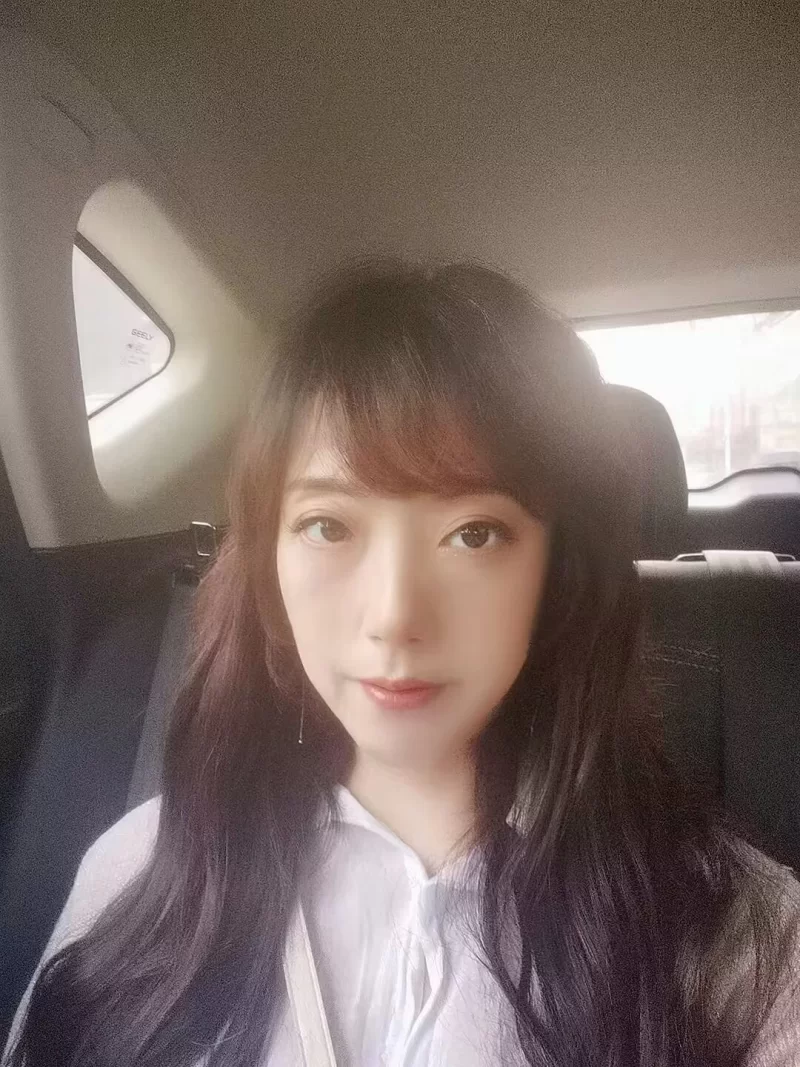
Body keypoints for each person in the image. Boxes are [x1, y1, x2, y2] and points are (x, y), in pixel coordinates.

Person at [4, 259, 799, 1067]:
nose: (393, 616)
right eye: (327, 525)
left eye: (473, 534)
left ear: (556, 570)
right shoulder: (140, 872)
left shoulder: (741, 940)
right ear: (269, 559)